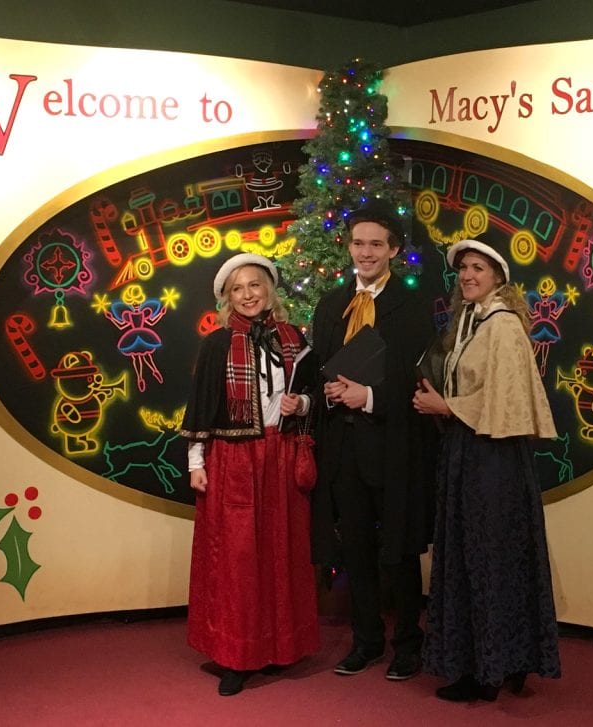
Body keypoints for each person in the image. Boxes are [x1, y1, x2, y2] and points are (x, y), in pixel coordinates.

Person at [413, 238, 561, 702]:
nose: (468, 276)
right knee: (481, 556)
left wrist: (445, 405)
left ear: (498, 277)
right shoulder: (470, 323)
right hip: (471, 453)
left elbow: (505, 400)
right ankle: (506, 661)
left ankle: (486, 672)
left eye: (478, 268)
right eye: (463, 269)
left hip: (491, 461)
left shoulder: (500, 325)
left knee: (486, 558)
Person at [180, 253, 319, 696]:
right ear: (227, 298)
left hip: (281, 454)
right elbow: (201, 406)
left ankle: (279, 646)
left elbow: (311, 390)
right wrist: (196, 463)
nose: (248, 295)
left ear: (269, 290)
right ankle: (237, 655)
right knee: (239, 559)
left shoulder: (294, 340)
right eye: (238, 289)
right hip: (235, 458)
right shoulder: (217, 345)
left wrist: (306, 405)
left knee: (282, 550)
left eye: (255, 285)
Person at [310, 199, 435, 682]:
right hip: (342, 447)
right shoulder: (329, 304)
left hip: (392, 444)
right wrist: (319, 393)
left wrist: (368, 396)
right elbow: (319, 364)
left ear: (394, 250)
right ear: (349, 246)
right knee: (356, 547)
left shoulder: (412, 306)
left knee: (400, 549)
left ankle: (408, 643)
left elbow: (415, 379)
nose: (365, 252)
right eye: (358, 243)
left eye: (376, 244)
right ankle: (366, 641)